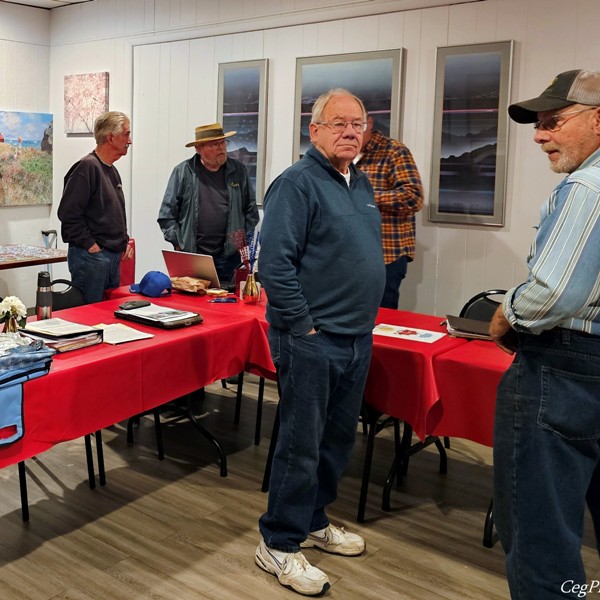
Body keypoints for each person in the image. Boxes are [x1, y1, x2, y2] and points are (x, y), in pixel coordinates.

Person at [489, 69, 600, 599]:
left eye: (553, 122)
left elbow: (554, 295)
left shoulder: (589, 186)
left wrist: (508, 314)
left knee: (543, 536)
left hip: (569, 371)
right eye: (539, 125)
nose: (540, 136)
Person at [255, 89, 384, 596]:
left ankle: (312, 521)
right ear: (315, 131)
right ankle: (279, 544)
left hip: (355, 337)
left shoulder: (360, 181)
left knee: (336, 441)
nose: (350, 132)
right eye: (338, 124)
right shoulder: (296, 183)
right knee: (300, 445)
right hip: (312, 339)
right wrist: (304, 326)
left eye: (358, 124)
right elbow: (274, 265)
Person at [157, 122, 259, 284]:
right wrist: (179, 243)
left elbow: (251, 211)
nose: (221, 148)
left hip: (229, 257)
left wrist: (240, 240)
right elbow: (167, 215)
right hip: (193, 256)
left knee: (226, 304)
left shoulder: (238, 171)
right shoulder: (183, 172)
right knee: (192, 303)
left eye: (222, 142)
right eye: (214, 144)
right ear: (199, 149)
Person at [57, 111, 134, 303]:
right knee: (89, 319)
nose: (130, 140)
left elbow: (112, 214)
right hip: (92, 258)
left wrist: (123, 241)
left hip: (110, 257)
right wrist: (91, 246)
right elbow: (68, 214)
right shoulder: (87, 168)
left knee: (108, 316)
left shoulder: (112, 170)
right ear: (110, 137)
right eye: (126, 134)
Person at [354, 114, 423, 308]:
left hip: (386, 254)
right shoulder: (343, 154)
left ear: (370, 122)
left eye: (357, 123)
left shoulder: (394, 151)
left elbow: (414, 196)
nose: (351, 131)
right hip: (348, 254)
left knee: (381, 323)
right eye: (342, 124)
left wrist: (363, 196)